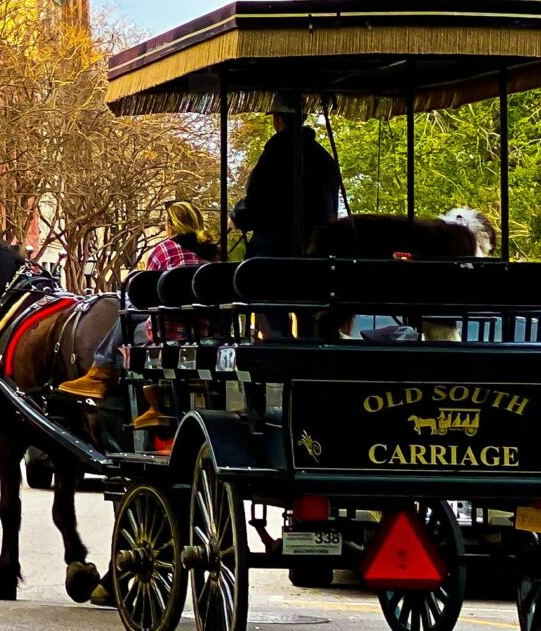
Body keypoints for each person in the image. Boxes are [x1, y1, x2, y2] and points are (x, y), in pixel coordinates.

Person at [62, 202, 220, 404]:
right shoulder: (212, 255)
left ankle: (101, 371)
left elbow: (144, 295)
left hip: (168, 330)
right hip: (204, 331)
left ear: (171, 225)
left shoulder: (165, 249)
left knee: (128, 320)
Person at [234, 94, 344, 257]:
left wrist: (237, 215)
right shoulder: (325, 159)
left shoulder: (273, 156)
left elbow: (256, 210)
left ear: (277, 119)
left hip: (275, 258)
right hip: (318, 256)